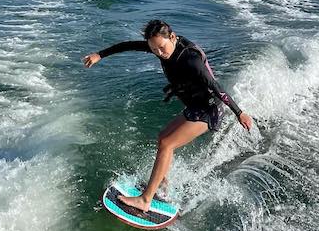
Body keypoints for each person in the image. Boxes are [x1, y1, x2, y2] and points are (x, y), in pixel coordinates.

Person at [83, 19, 252, 212]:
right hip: (195, 105)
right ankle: (161, 186)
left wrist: (239, 113)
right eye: (154, 50)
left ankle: (145, 200)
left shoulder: (191, 59)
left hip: (209, 110)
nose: (159, 53)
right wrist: (100, 55)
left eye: (162, 48)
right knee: (163, 137)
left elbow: (217, 88)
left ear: (172, 37)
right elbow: (128, 45)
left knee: (167, 144)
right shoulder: (159, 44)